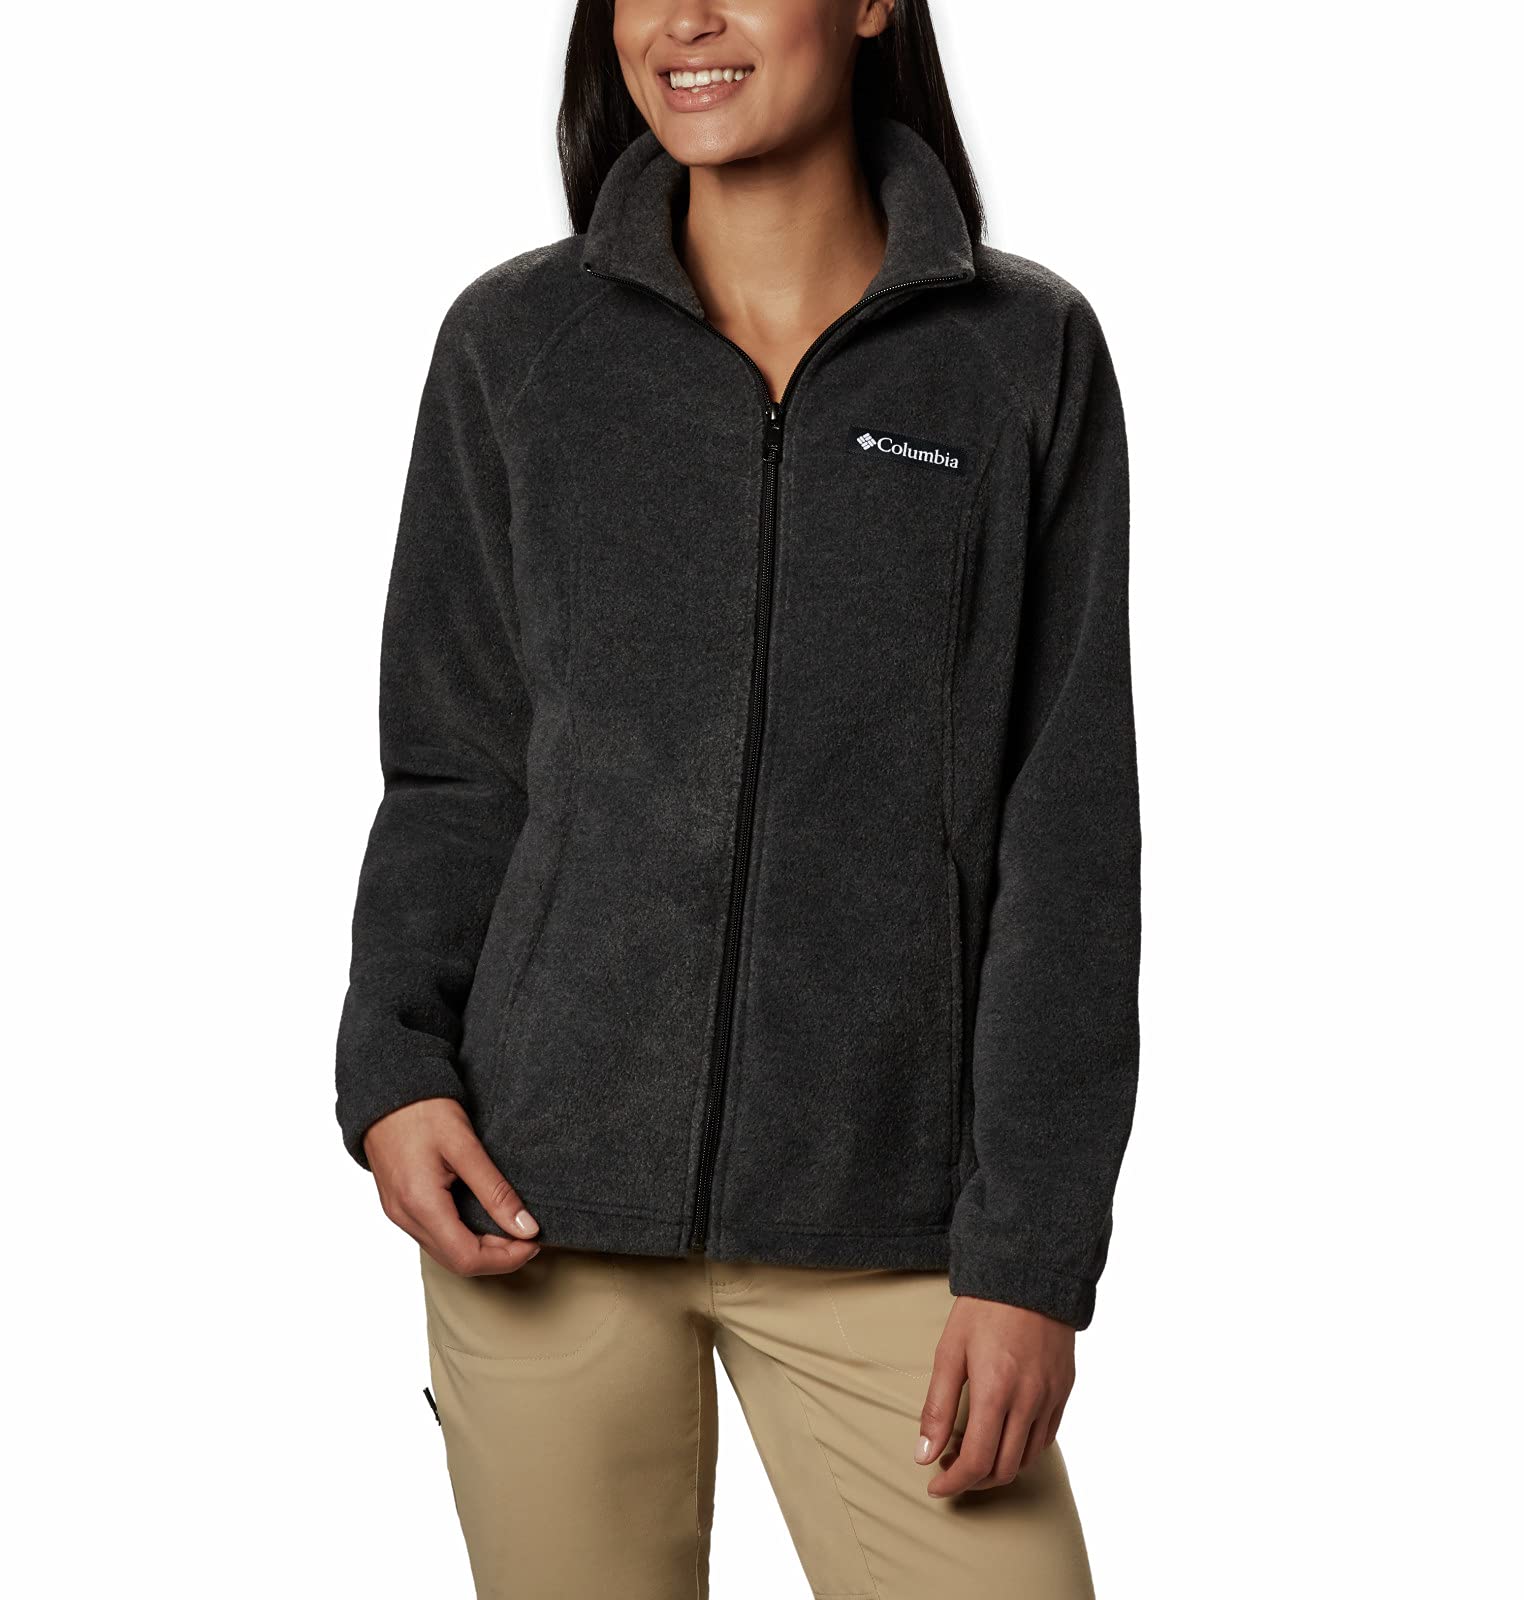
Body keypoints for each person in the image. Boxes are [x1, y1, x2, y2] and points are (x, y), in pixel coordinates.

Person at [336, 1, 1140, 1594]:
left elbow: (1066, 832)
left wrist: (1033, 1254)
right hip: (537, 1203)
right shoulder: (518, 346)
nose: (686, 18)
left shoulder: (1019, 356)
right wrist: (396, 1070)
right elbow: (455, 763)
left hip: (897, 1224)